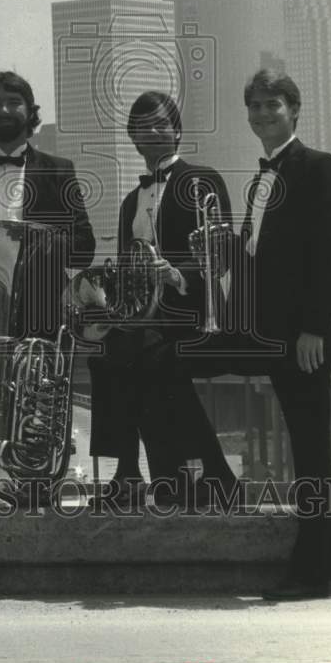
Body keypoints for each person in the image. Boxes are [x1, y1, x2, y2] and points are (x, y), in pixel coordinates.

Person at [0, 71, 95, 503]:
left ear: (30, 113)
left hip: (40, 317)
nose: (4, 109)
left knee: (34, 420)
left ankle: (36, 486)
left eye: (14, 101)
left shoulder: (59, 171)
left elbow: (83, 247)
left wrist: (31, 242)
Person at [236, 69, 331, 601]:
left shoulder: (319, 167)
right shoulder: (263, 177)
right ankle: (312, 564)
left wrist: (314, 329)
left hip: (305, 337)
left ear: (295, 108)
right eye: (255, 106)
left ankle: (315, 571)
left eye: (273, 105)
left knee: (311, 450)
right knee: (304, 445)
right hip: (274, 334)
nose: (263, 114)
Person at [87, 89, 238, 505]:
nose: (152, 132)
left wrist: (175, 273)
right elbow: (126, 268)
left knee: (148, 356)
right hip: (147, 318)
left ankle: (187, 475)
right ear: (133, 138)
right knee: (104, 352)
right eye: (142, 127)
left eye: (161, 124)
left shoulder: (202, 180)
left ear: (177, 132)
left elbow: (222, 255)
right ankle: (131, 472)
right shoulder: (129, 203)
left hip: (195, 313)